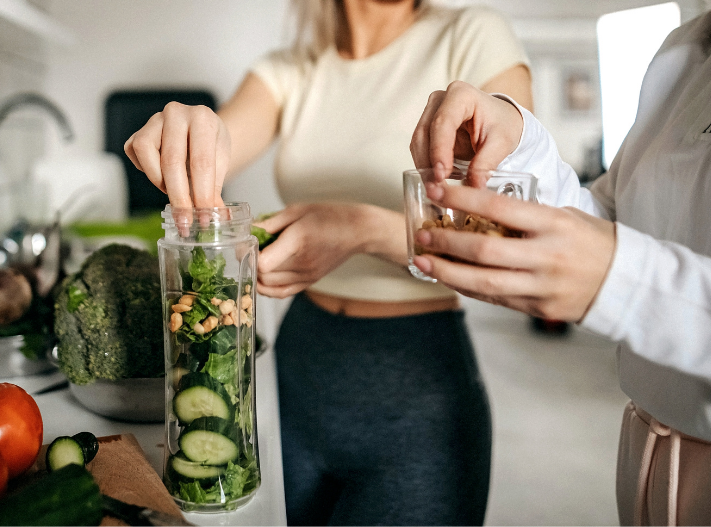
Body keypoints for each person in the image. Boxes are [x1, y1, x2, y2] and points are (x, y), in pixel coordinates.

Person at [124, 0, 530, 523]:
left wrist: (359, 228)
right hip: (298, 366)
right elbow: (223, 136)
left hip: (417, 388)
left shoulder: (473, 35)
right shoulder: (291, 70)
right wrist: (190, 131)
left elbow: (513, 228)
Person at [409, 0, 711, 523]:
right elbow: (616, 220)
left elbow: (622, 261)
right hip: (643, 463)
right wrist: (521, 142)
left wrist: (622, 281)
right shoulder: (692, 47)